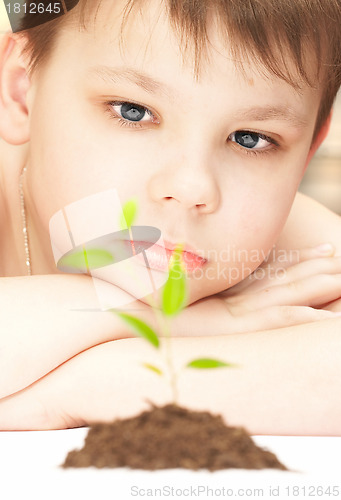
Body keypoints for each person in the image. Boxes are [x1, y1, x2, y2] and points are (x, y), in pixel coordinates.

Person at [0, 0, 340, 433]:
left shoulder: (287, 243)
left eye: (251, 139)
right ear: (20, 92)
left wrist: (99, 385)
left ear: (308, 151)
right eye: (133, 111)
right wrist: (201, 323)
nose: (191, 187)